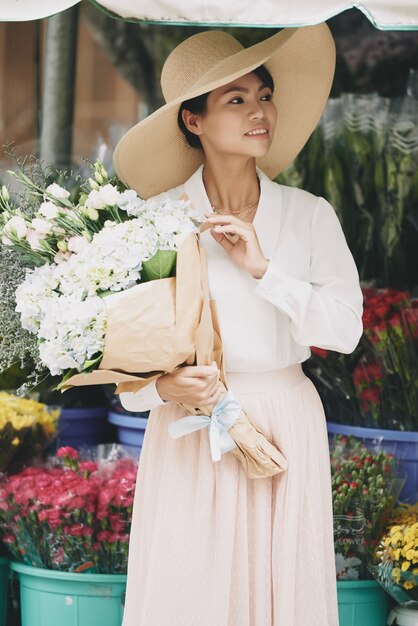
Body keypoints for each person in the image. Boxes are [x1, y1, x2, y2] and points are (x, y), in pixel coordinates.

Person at [113, 24, 363, 626]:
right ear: (192, 121)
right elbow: (123, 361)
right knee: (190, 595)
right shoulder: (155, 222)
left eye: (265, 95)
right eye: (237, 99)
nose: (260, 112)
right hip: (192, 429)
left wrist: (264, 269)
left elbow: (345, 330)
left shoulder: (308, 215)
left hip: (285, 422)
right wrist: (164, 388)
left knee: (285, 596)